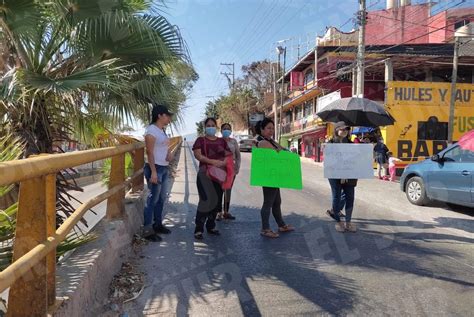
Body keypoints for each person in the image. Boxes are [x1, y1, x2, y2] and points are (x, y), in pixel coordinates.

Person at [192, 118, 232, 240]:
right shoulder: (200, 140)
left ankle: (211, 226)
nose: (211, 127)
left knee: (216, 201)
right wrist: (213, 162)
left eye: (213, 125)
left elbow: (228, 155)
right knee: (205, 201)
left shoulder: (221, 141)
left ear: (216, 127)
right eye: (208, 125)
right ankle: (199, 229)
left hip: (219, 175)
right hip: (205, 174)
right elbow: (198, 155)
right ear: (205, 127)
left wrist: (223, 162)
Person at [255, 118, 294, 238]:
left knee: (277, 202)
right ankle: (265, 229)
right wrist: (284, 152)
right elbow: (279, 154)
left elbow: (282, 149)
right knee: (268, 203)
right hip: (268, 176)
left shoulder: (270, 140)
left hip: (274, 175)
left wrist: (285, 151)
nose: (271, 131)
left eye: (272, 128)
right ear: (262, 129)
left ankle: (281, 225)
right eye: (268, 128)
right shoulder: (262, 142)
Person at [143, 105, 175, 242]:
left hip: (163, 167)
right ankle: (147, 230)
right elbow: (149, 152)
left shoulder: (162, 130)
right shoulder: (151, 131)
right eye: (167, 115)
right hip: (154, 168)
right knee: (152, 200)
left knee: (161, 199)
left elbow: (164, 146)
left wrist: (168, 154)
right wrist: (154, 172)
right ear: (159, 116)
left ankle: (158, 224)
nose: (169, 118)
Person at [326, 121, 358, 233]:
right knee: (336, 197)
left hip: (349, 175)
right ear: (336, 130)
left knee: (350, 198)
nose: (344, 131)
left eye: (346, 129)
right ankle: (339, 222)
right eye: (342, 129)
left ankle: (348, 222)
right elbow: (329, 161)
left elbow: (355, 160)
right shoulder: (330, 143)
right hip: (334, 175)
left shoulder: (351, 144)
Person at [217, 123, 241, 221]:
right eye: (224, 129)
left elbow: (238, 155)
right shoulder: (217, 141)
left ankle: (226, 212)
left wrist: (237, 168)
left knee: (228, 190)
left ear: (231, 131)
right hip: (220, 169)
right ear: (221, 131)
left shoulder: (234, 142)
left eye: (228, 129)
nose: (226, 130)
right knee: (220, 191)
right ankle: (219, 213)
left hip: (231, 169)